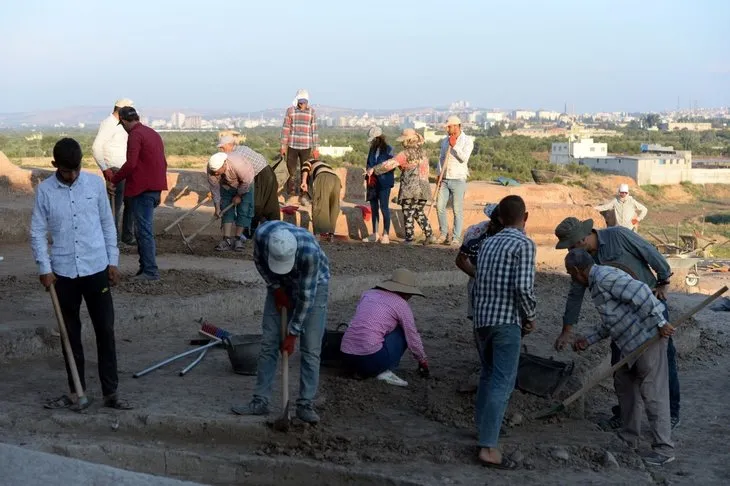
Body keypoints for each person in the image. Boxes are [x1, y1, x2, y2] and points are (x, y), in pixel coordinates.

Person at [30, 138, 132, 412]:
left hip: (96, 267)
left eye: (75, 169)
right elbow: (37, 232)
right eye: (66, 171)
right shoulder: (45, 192)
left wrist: (113, 261)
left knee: (105, 330)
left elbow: (108, 225)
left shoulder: (94, 185)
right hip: (63, 273)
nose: (72, 175)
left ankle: (111, 392)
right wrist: (44, 268)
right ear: (55, 166)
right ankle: (77, 391)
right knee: (70, 333)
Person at [553, 217, 680, 430]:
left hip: (649, 305)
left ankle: (671, 413)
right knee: (621, 365)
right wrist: (567, 330)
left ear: (582, 239)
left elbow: (649, 253)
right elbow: (575, 295)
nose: (569, 251)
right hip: (622, 317)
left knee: (663, 361)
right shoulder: (581, 261)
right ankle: (625, 415)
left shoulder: (618, 236)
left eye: (571, 246)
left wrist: (663, 282)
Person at [567, 249, 676, 466]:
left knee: (653, 394)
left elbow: (642, 292)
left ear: (578, 271)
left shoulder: (606, 277)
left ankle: (664, 449)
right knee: (624, 385)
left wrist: (661, 322)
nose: (571, 277)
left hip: (647, 339)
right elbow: (612, 321)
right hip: (629, 345)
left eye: (570, 273)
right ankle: (628, 438)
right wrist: (588, 339)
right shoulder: (597, 285)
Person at [232, 221, 329, 424]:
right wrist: (276, 287)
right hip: (278, 285)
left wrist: (293, 333)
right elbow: (259, 262)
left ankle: (305, 404)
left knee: (311, 348)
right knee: (269, 343)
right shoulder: (262, 236)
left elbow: (306, 300)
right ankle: (260, 401)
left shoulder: (309, 254)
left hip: (313, 287)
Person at [472, 195, 536, 470]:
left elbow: (477, 280)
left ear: (498, 218)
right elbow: (522, 287)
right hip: (506, 320)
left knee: (487, 375)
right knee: (502, 381)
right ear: (526, 217)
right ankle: (488, 447)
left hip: (482, 319)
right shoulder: (524, 244)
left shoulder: (487, 243)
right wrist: (530, 316)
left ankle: (483, 430)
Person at [340, 268, 429, 387]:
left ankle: (359, 370)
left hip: (346, 356)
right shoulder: (401, 304)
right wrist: (422, 360)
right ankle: (380, 369)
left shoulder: (368, 294)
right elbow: (412, 336)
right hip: (370, 359)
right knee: (403, 332)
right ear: (407, 293)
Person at [110, 107, 168, 281]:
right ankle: (145, 268)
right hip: (154, 188)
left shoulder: (135, 135)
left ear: (125, 121)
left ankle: (150, 271)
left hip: (142, 189)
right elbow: (162, 163)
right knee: (142, 230)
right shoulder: (152, 133)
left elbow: (131, 164)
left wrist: (114, 179)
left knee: (143, 231)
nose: (123, 128)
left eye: (122, 124)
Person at [367, 128, 435, 245]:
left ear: (407, 141)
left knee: (408, 212)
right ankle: (429, 234)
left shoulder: (405, 154)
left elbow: (389, 164)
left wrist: (374, 169)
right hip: (424, 187)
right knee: (418, 211)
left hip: (410, 188)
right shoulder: (423, 153)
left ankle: (409, 238)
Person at [91, 98, 136, 245]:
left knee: (130, 204)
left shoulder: (124, 125)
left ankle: (127, 236)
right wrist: (105, 169)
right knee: (114, 207)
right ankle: (112, 239)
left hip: (127, 169)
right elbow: (96, 147)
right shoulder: (108, 124)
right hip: (115, 170)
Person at [217, 135, 280, 229]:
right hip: (264, 174)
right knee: (266, 204)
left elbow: (243, 180)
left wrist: (238, 195)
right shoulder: (238, 150)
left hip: (262, 175)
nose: (222, 150)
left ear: (230, 145)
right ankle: (269, 229)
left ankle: (251, 232)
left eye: (223, 147)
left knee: (257, 204)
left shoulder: (237, 154)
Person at [455, 203, 503, 320]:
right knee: (479, 318)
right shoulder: (476, 233)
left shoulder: (516, 234)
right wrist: (478, 275)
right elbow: (461, 260)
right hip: (479, 273)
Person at [436, 116, 474, 246]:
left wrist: (454, 146)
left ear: (457, 126)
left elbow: (464, 158)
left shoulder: (467, 141)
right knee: (440, 206)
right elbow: (441, 158)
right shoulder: (444, 141)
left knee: (457, 210)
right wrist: (438, 174)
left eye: (449, 126)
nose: (447, 129)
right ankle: (443, 234)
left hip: (458, 178)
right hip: (445, 178)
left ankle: (456, 237)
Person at [206, 151, 255, 251]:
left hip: (245, 184)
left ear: (224, 164)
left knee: (244, 210)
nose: (215, 173)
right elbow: (215, 189)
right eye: (213, 171)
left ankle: (238, 239)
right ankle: (226, 240)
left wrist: (239, 195)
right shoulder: (211, 169)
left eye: (217, 171)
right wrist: (217, 208)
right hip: (227, 185)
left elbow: (246, 182)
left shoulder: (239, 164)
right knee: (226, 209)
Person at [280, 89, 319, 205]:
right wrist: (283, 146)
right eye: (301, 102)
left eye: (304, 102)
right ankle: (290, 195)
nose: (303, 105)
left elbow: (315, 130)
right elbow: (285, 129)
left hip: (306, 146)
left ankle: (304, 195)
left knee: (305, 170)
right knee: (290, 171)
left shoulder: (312, 112)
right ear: (297, 101)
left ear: (307, 101)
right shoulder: (290, 111)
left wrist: (316, 148)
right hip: (292, 145)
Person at [363, 126, 395, 244]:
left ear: (378, 139)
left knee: (384, 208)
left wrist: (375, 170)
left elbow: (390, 165)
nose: (371, 142)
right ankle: (375, 233)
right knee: (374, 208)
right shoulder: (372, 150)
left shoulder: (389, 149)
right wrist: (368, 170)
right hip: (372, 182)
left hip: (384, 182)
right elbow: (368, 163)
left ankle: (386, 234)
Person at [300, 158, 341, 241]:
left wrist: (304, 181)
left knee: (318, 204)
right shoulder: (325, 165)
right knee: (333, 206)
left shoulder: (309, 161)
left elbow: (305, 168)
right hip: (336, 179)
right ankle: (331, 235)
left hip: (323, 177)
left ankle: (317, 235)